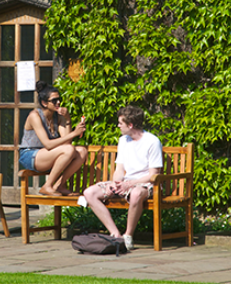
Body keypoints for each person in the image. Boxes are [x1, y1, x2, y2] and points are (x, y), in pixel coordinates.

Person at [82, 106, 163, 249]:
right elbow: (119, 168)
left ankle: (128, 236)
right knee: (89, 193)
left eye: (120, 123)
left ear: (130, 125)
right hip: (126, 183)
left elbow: (153, 175)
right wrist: (116, 183)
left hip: (147, 184)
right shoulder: (123, 140)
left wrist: (131, 184)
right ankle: (116, 235)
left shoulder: (152, 141)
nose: (118, 126)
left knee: (136, 193)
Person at [19, 81, 87, 196]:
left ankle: (58, 186)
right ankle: (47, 186)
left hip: (48, 154)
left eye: (59, 99)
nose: (59, 102)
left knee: (82, 151)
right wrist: (75, 133)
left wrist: (67, 118)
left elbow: (67, 141)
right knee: (69, 149)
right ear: (44, 103)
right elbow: (48, 144)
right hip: (30, 155)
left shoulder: (57, 116)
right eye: (54, 100)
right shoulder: (34, 116)